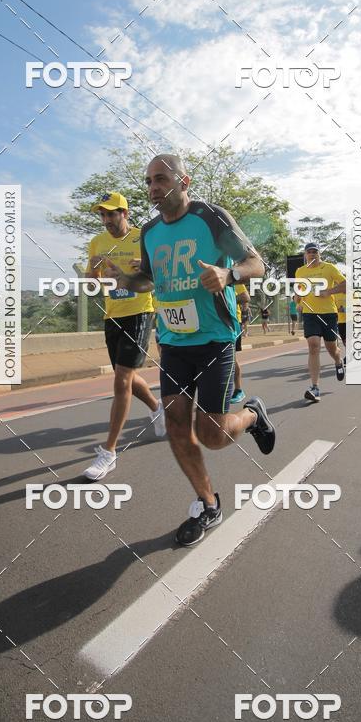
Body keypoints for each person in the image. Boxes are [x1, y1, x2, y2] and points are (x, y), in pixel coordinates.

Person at [104, 154, 276, 547]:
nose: (153, 188)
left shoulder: (211, 217)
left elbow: (257, 263)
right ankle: (209, 503)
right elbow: (149, 279)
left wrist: (228, 274)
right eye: (148, 181)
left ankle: (252, 414)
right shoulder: (148, 232)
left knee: (212, 434)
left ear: (184, 181)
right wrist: (127, 278)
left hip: (215, 338)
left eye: (161, 179)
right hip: (173, 342)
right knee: (178, 427)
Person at [82, 192, 166, 480]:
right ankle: (158, 409)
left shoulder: (142, 237)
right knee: (126, 376)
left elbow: (156, 277)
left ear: (124, 213)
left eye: (111, 213)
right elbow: (91, 285)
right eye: (102, 214)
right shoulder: (96, 242)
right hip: (112, 314)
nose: (106, 219)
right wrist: (92, 270)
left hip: (140, 312)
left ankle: (109, 452)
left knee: (121, 380)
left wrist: (136, 269)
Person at [294, 242, 345, 403]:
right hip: (310, 313)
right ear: (305, 255)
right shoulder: (300, 271)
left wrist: (328, 292)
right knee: (313, 345)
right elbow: (299, 289)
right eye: (309, 252)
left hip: (329, 313)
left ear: (319, 254)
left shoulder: (329, 268)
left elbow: (345, 284)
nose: (312, 254)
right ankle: (315, 387)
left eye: (315, 251)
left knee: (331, 348)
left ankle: (338, 360)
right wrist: (298, 300)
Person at [231, 284, 250, 403]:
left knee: (230, 357)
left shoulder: (231, 273)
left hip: (231, 321)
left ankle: (238, 390)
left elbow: (245, 297)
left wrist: (225, 299)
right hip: (210, 322)